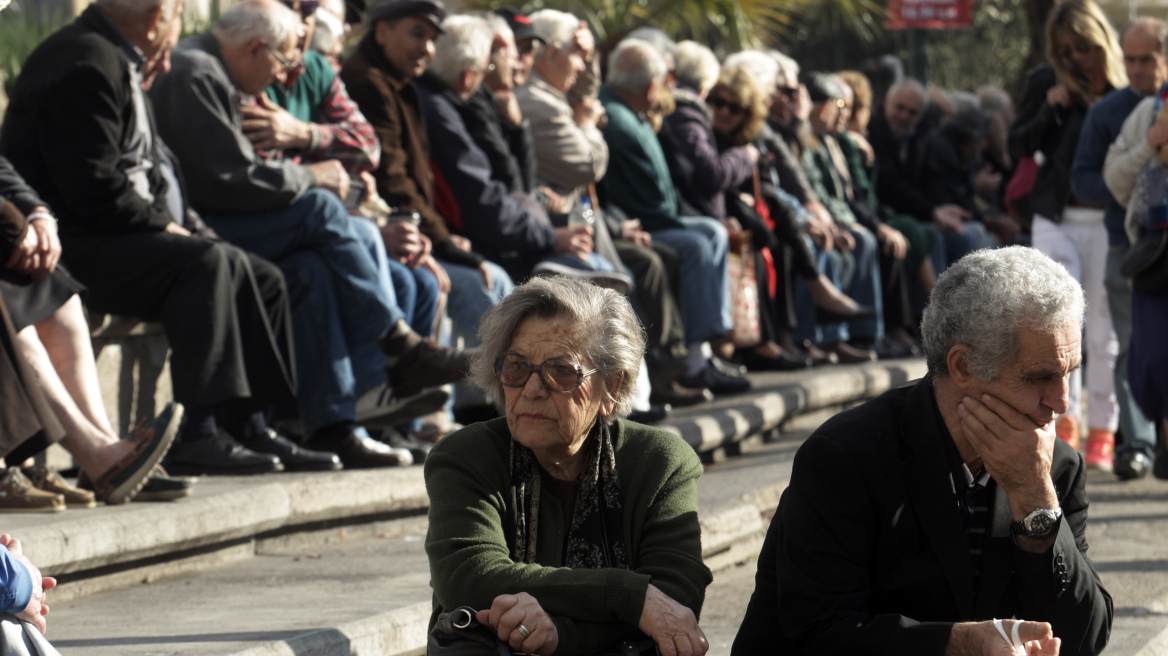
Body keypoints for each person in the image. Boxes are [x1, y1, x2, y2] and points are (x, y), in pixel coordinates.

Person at [733, 246, 1113, 656]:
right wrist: (959, 644)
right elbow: (817, 633)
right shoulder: (845, 457)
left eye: (1069, 373)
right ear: (963, 367)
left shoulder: (1055, 466)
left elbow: (1085, 639)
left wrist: (1035, 499)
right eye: (1039, 377)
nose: (1061, 402)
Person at [0, 0, 305, 477]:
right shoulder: (86, 60)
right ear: (157, 15)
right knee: (204, 264)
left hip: (100, 231)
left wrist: (174, 224)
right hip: (76, 240)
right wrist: (162, 225)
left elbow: (150, 172)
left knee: (259, 274)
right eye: (178, 13)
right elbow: (94, 188)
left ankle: (253, 425)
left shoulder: (114, 57)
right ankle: (199, 432)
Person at [424, 276, 712, 656]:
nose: (532, 389)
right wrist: (629, 596)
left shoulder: (660, 463)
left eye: (561, 370)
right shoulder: (465, 457)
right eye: (516, 367)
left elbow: (676, 601)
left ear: (611, 387)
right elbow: (470, 577)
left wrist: (560, 635)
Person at [340, 0, 516, 351]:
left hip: (413, 229)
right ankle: (482, 385)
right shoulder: (369, 82)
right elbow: (393, 182)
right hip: (386, 230)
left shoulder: (399, 82)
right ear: (382, 31)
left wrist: (443, 235)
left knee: (490, 279)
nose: (427, 48)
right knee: (478, 284)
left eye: (433, 39)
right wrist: (443, 242)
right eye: (417, 34)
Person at [1009, 0, 1127, 463]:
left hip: (1107, 220)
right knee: (1058, 321)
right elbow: (1017, 143)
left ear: (1099, 41)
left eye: (1081, 47)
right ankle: (1065, 421)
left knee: (1103, 326)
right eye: (1064, 50)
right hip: (1056, 216)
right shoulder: (1047, 81)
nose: (1074, 57)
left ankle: (1104, 427)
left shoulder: (1123, 89)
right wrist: (1050, 109)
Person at [600, 39, 749, 395]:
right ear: (651, 86)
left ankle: (704, 352)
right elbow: (647, 202)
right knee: (696, 245)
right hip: (638, 225)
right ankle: (694, 361)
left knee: (711, 232)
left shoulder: (629, 113)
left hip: (647, 220)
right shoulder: (619, 122)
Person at [1070, 17, 1168, 480]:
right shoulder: (1118, 113)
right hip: (1135, 250)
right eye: (1129, 59)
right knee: (1139, 349)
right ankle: (1141, 443)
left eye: (1146, 59)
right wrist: (1148, 150)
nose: (1137, 68)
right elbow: (1093, 179)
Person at [869, 79, 993, 275]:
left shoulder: (920, 139)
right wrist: (932, 210)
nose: (904, 116)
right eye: (899, 108)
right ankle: (935, 295)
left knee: (965, 235)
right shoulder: (873, 133)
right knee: (931, 235)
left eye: (912, 112)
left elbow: (928, 182)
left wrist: (940, 209)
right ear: (886, 103)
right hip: (883, 214)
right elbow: (889, 185)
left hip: (914, 212)